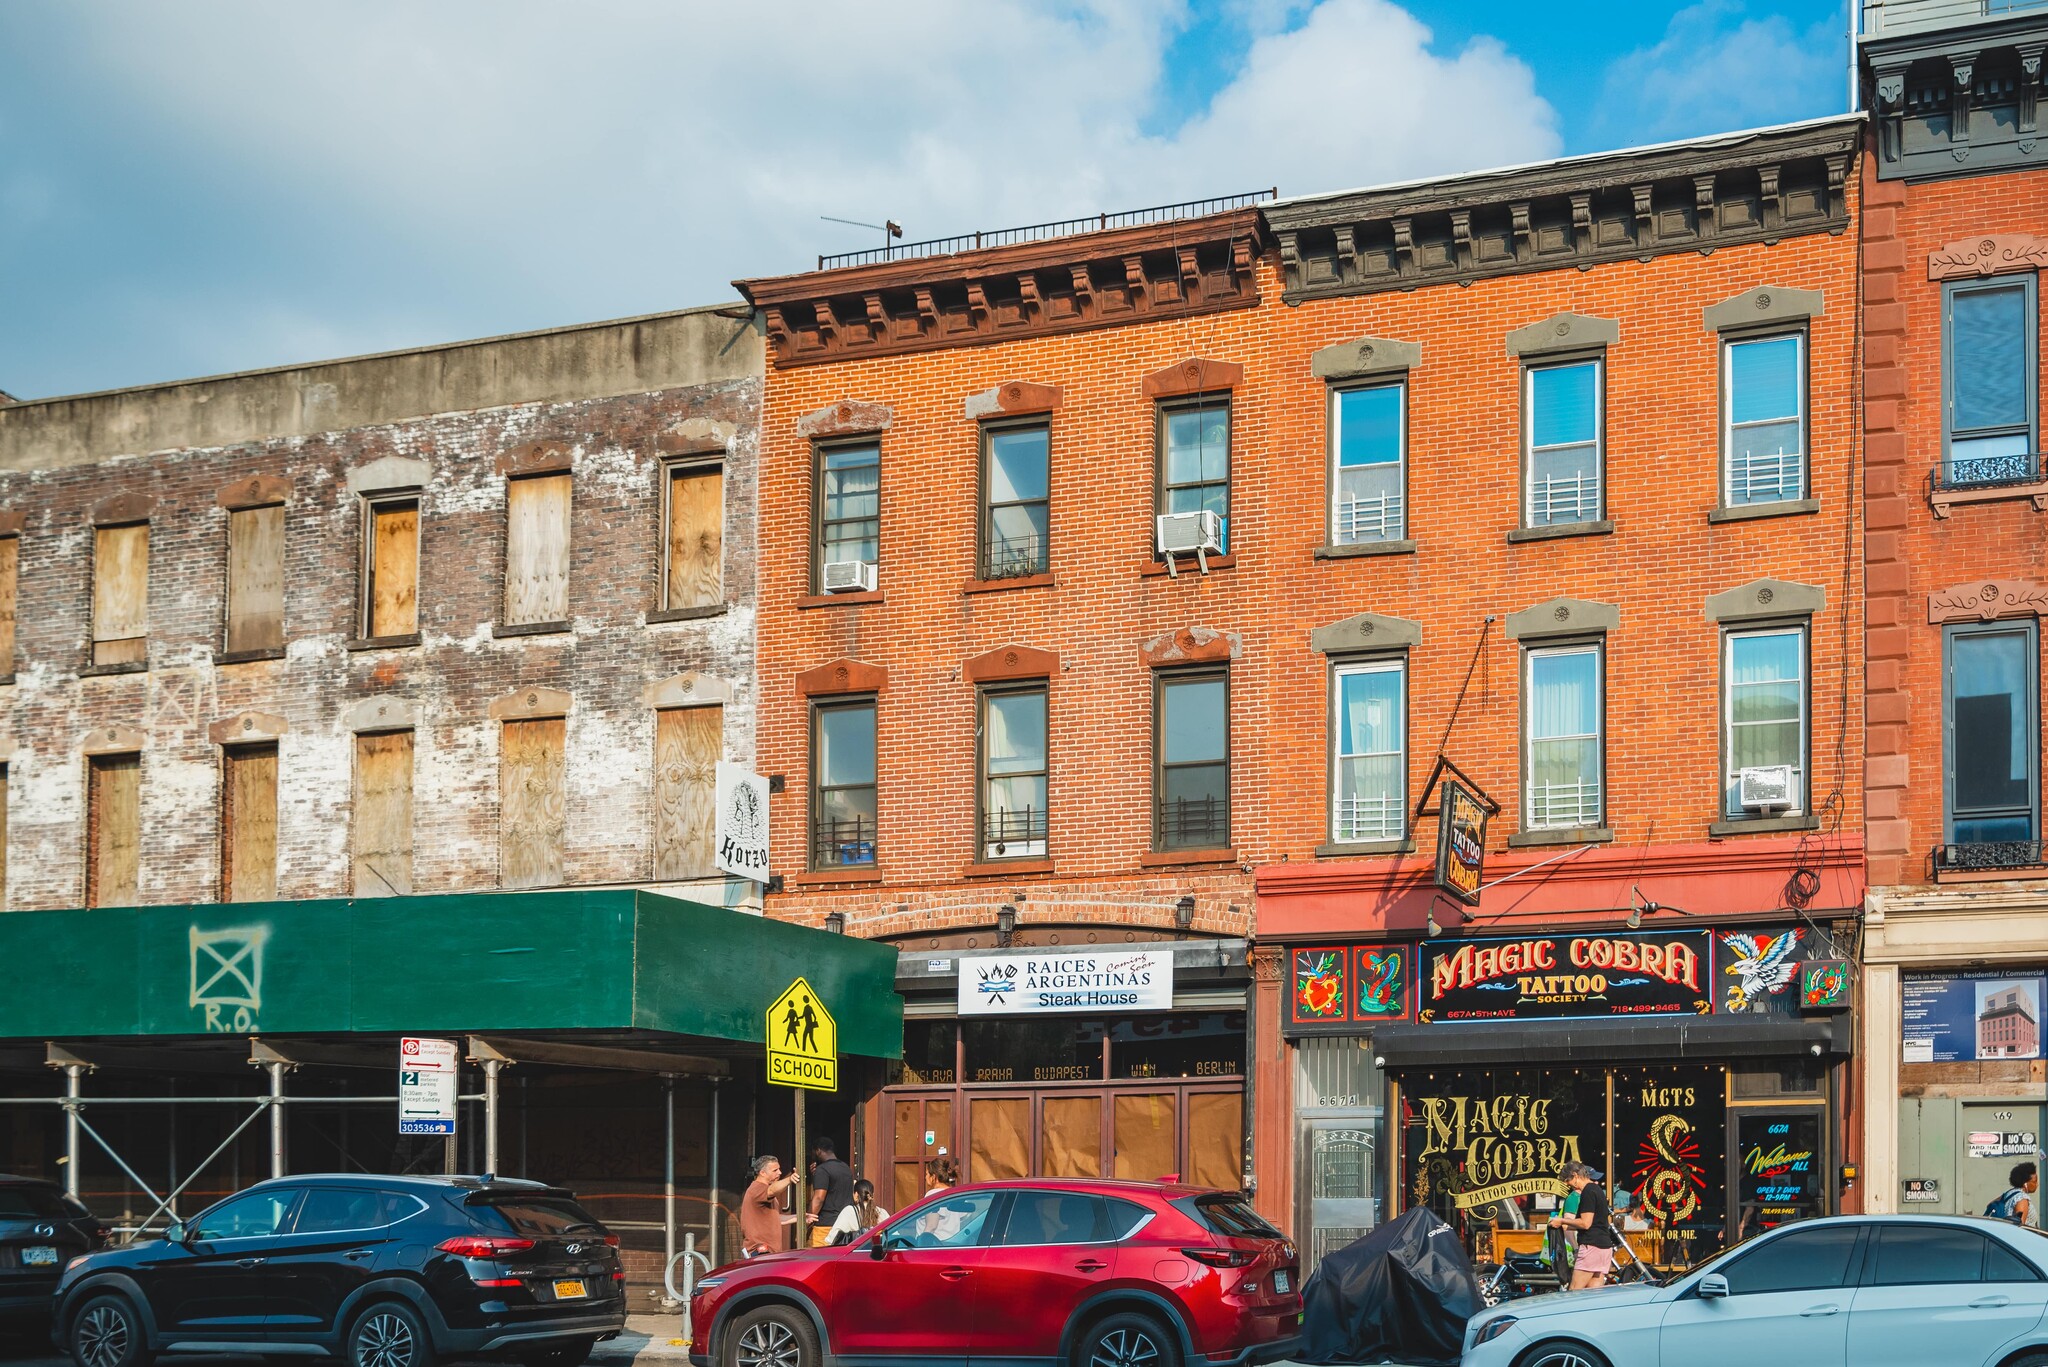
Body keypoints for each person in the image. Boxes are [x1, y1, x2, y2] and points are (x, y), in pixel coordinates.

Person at [1548, 1162, 1619, 1290]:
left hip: (1591, 1246)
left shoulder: (1587, 1192)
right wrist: (1565, 1225)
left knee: (1574, 1291)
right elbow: (1595, 1223)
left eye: (1567, 1180)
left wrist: (1562, 1221)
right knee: (1592, 1294)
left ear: (1575, 1175)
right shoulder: (1597, 1190)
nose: (1566, 1184)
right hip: (1604, 1248)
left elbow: (1586, 1223)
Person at [739, 1154, 798, 1258]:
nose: (779, 1173)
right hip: (761, 1251)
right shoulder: (757, 1189)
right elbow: (771, 1190)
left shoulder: (764, 1192)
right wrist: (790, 1179)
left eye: (779, 1169)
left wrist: (799, 1217)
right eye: (775, 1170)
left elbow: (775, 1218)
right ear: (762, 1173)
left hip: (769, 1252)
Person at [806, 1136, 855, 1248]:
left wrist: (808, 1218)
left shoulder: (822, 1170)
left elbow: (819, 1198)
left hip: (825, 1225)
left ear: (818, 1150)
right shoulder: (846, 1168)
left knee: (816, 1258)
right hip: (843, 1225)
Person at [828, 1179, 887, 1245]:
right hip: (878, 1253)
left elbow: (833, 1238)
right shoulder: (882, 1212)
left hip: (857, 1253)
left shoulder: (849, 1211)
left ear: (856, 1195)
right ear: (872, 1195)